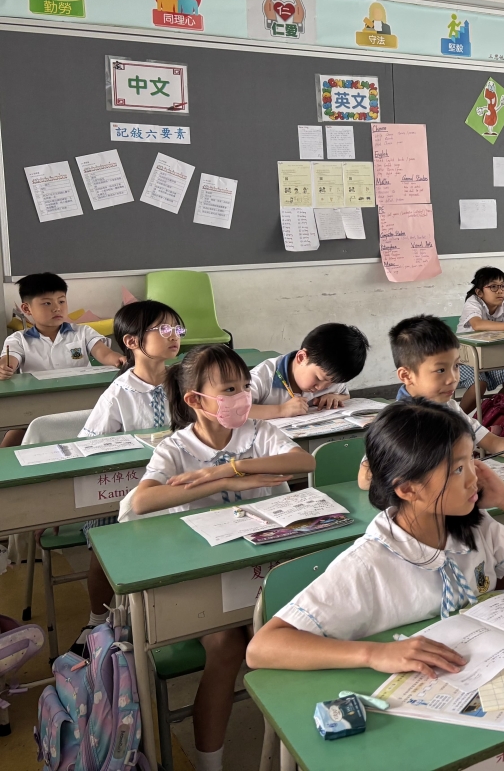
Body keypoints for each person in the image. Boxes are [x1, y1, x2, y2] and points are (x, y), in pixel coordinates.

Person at [246, 401, 504, 680]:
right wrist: (375, 653)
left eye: (472, 461)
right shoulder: (368, 564)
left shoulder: (477, 526)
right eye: (457, 470)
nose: (474, 479)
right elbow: (262, 648)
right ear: (407, 488)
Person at [129, 345, 315, 771]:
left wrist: (226, 471)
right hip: (207, 577)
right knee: (227, 647)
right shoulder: (176, 448)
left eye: (245, 386)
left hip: (264, 566)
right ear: (195, 400)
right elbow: (142, 501)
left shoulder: (257, 433)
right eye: (230, 389)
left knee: (290, 636)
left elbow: (303, 460)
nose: (243, 397)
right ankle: (210, 764)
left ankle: (303, 746)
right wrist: (219, 486)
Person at [72, 299, 185, 655]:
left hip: (176, 485)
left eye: (177, 328)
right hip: (124, 488)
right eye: (163, 329)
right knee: (106, 541)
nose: (174, 336)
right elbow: (88, 447)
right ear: (132, 342)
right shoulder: (118, 394)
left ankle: (173, 613)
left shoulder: (185, 381)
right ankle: (96, 620)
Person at [356, 316, 504, 489]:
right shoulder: (394, 421)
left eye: (456, 366)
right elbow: (365, 480)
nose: (453, 378)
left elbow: (491, 441)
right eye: (441, 370)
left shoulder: (450, 409)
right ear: (407, 375)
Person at [0, 272, 125, 444]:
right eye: (47, 303)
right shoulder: (18, 339)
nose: (57, 308)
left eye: (61, 301)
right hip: (36, 404)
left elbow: (104, 353)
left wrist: (119, 359)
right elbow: (10, 360)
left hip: (81, 400)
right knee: (13, 438)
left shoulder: (83, 332)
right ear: (27, 309)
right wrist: (5, 368)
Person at [248, 323, 368, 419]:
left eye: (332, 382)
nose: (321, 387)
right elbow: (238, 410)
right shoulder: (263, 377)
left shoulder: (330, 376)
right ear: (301, 358)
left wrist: (334, 397)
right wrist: (281, 410)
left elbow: (345, 395)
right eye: (318, 378)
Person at [457, 267, 504, 413]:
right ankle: (456, 421)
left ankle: (490, 416)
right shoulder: (473, 302)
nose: (500, 291)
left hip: (491, 356)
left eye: (503, 286)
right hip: (465, 357)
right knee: (479, 385)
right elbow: (477, 324)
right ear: (479, 292)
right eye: (493, 287)